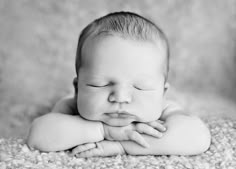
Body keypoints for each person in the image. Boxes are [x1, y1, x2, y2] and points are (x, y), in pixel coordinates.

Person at [27, 11, 211, 157]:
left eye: (141, 87)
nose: (120, 97)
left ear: (162, 93)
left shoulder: (164, 109)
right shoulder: (71, 106)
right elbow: (39, 136)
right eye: (99, 84)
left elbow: (197, 138)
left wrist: (123, 145)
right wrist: (105, 131)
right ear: (77, 89)